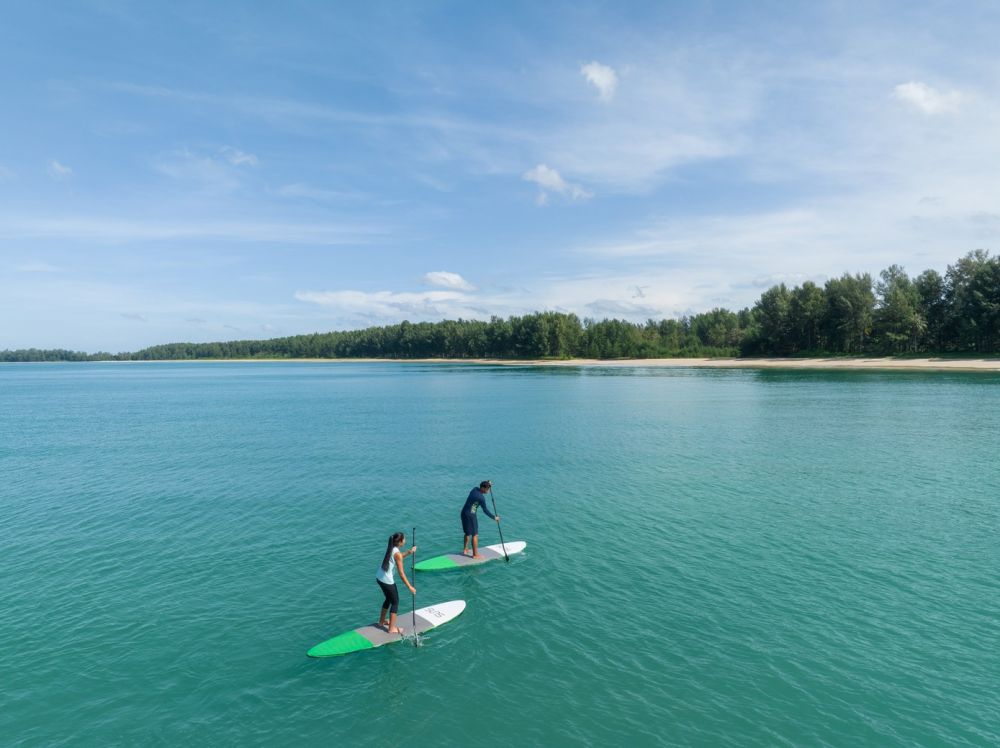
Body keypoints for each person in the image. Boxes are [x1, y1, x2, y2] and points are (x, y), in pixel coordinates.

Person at [376, 531, 416, 634]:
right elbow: (401, 574)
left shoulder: (392, 548)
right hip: (386, 581)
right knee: (395, 602)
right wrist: (410, 587)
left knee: (388, 599)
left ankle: (381, 622)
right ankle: (391, 629)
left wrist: (408, 552)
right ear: (401, 541)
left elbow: (398, 556)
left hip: (379, 577)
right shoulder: (397, 553)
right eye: (404, 539)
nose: (405, 540)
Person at [461, 480, 500, 559]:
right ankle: (475, 555)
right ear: (482, 488)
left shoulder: (474, 489)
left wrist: (488, 483)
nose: (488, 491)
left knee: (467, 533)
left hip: (463, 513)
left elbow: (483, 485)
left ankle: (465, 549)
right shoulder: (481, 498)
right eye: (487, 489)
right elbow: (485, 510)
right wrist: (494, 517)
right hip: (471, 516)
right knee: (475, 535)